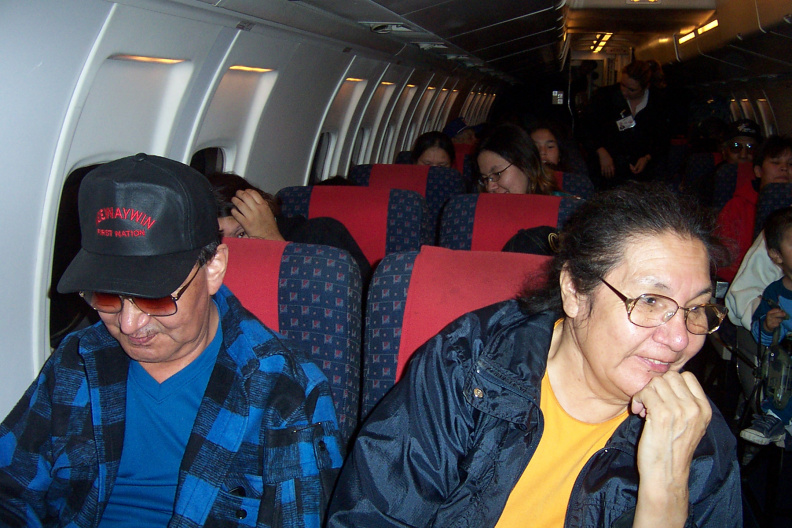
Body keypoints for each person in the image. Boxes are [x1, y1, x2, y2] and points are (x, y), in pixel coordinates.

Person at [327, 183, 741, 527]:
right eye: (651, 301)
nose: (679, 339)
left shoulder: (696, 433)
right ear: (575, 293)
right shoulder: (469, 367)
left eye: (696, 309)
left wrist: (666, 491)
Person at [0, 154, 343, 526]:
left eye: (155, 297)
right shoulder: (78, 358)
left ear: (213, 268)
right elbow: (11, 490)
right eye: (106, 296)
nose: (129, 325)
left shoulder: (285, 387)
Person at [208, 172, 371, 281]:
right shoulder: (209, 266)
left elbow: (354, 299)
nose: (230, 252)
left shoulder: (322, 234)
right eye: (220, 239)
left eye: (241, 234)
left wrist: (271, 240)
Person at [741, 207, 792, 446]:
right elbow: (759, 335)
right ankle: (776, 419)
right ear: (777, 255)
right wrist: (768, 326)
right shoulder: (774, 293)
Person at [582, 60, 670, 189]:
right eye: (622, 85)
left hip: (642, 174)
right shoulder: (605, 97)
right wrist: (600, 150)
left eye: (632, 89)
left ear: (645, 87)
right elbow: (586, 128)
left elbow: (662, 138)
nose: (624, 92)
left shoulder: (658, 103)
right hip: (608, 170)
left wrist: (647, 157)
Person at [716, 135, 792, 282]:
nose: (784, 168)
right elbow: (725, 262)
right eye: (776, 162)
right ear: (758, 171)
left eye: (791, 164)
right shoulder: (737, 207)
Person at [478, 123, 559, 195]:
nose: (489, 187)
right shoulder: (481, 209)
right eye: (485, 179)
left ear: (526, 165)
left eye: (497, 174)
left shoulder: (562, 208)